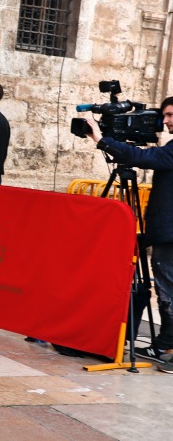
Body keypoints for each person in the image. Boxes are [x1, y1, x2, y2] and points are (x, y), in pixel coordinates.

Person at [85, 97, 173, 373]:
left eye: (170, 115)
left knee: (168, 291)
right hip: (166, 232)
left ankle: (169, 349)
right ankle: (164, 344)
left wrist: (103, 140)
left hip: (169, 234)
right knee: (167, 289)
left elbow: (146, 158)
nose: (165, 121)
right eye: (164, 115)